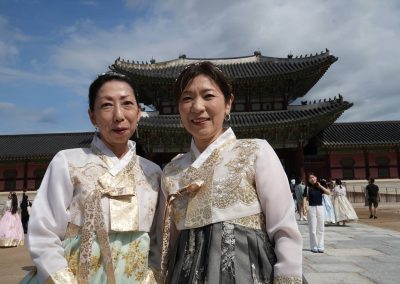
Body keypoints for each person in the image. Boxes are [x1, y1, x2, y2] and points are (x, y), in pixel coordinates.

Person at [160, 62, 302, 283]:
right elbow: (169, 239)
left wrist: (287, 276)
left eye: (208, 96)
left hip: (250, 271)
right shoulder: (171, 171)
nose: (197, 107)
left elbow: (283, 227)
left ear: (228, 104)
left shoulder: (255, 151)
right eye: (187, 99)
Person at [21, 72, 162, 284]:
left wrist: (151, 277)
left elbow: (157, 241)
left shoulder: (153, 173)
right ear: (92, 116)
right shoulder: (68, 162)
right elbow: (44, 232)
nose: (118, 115)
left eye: (127, 104)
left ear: (139, 112)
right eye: (106, 105)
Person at [303, 172, 331, 253]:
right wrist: (305, 208)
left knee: (321, 227)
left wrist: (320, 186)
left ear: (316, 178)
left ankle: (321, 246)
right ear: (308, 180)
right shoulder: (307, 188)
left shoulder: (319, 187)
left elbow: (328, 193)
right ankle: (314, 246)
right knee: (312, 228)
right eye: (310, 178)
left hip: (320, 207)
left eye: (314, 177)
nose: (312, 179)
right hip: (311, 208)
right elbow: (304, 198)